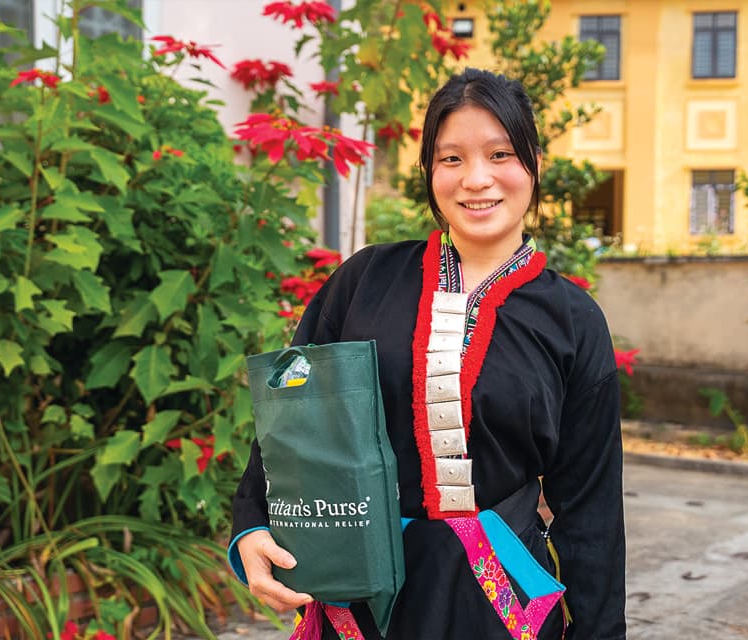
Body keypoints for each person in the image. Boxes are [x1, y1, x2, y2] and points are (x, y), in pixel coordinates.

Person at [229, 67, 626, 640]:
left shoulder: (573, 321)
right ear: (428, 171)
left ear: (534, 162)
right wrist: (253, 525)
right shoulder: (366, 280)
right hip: (360, 589)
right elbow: (292, 419)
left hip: (496, 606)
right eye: (452, 159)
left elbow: (591, 509)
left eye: (500, 154)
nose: (477, 180)